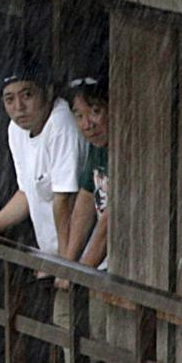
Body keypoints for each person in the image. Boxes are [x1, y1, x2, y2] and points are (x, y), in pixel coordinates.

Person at [0, 70, 85, 259]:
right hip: (57, 255)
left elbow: (65, 199)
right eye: (9, 99)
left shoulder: (61, 124)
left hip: (85, 256)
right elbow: (27, 193)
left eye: (27, 95)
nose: (19, 107)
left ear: (48, 92)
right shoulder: (16, 129)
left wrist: (66, 265)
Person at [60, 76, 112, 271]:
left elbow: (111, 219)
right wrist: (68, 265)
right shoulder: (98, 147)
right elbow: (86, 199)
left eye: (95, 112)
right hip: (104, 267)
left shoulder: (126, 149)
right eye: (79, 116)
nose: (87, 124)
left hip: (131, 266)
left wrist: (80, 274)